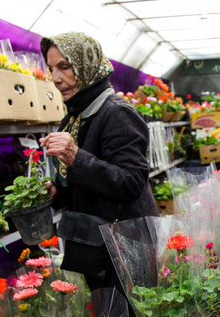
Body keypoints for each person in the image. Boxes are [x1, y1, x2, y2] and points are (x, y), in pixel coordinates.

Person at [39, 32, 158, 293]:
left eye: (65, 66)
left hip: (125, 246)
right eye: (51, 69)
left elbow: (132, 182)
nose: (56, 78)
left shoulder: (117, 112)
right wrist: (57, 191)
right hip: (97, 245)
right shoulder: (74, 117)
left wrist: (75, 157)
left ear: (86, 64)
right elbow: (83, 182)